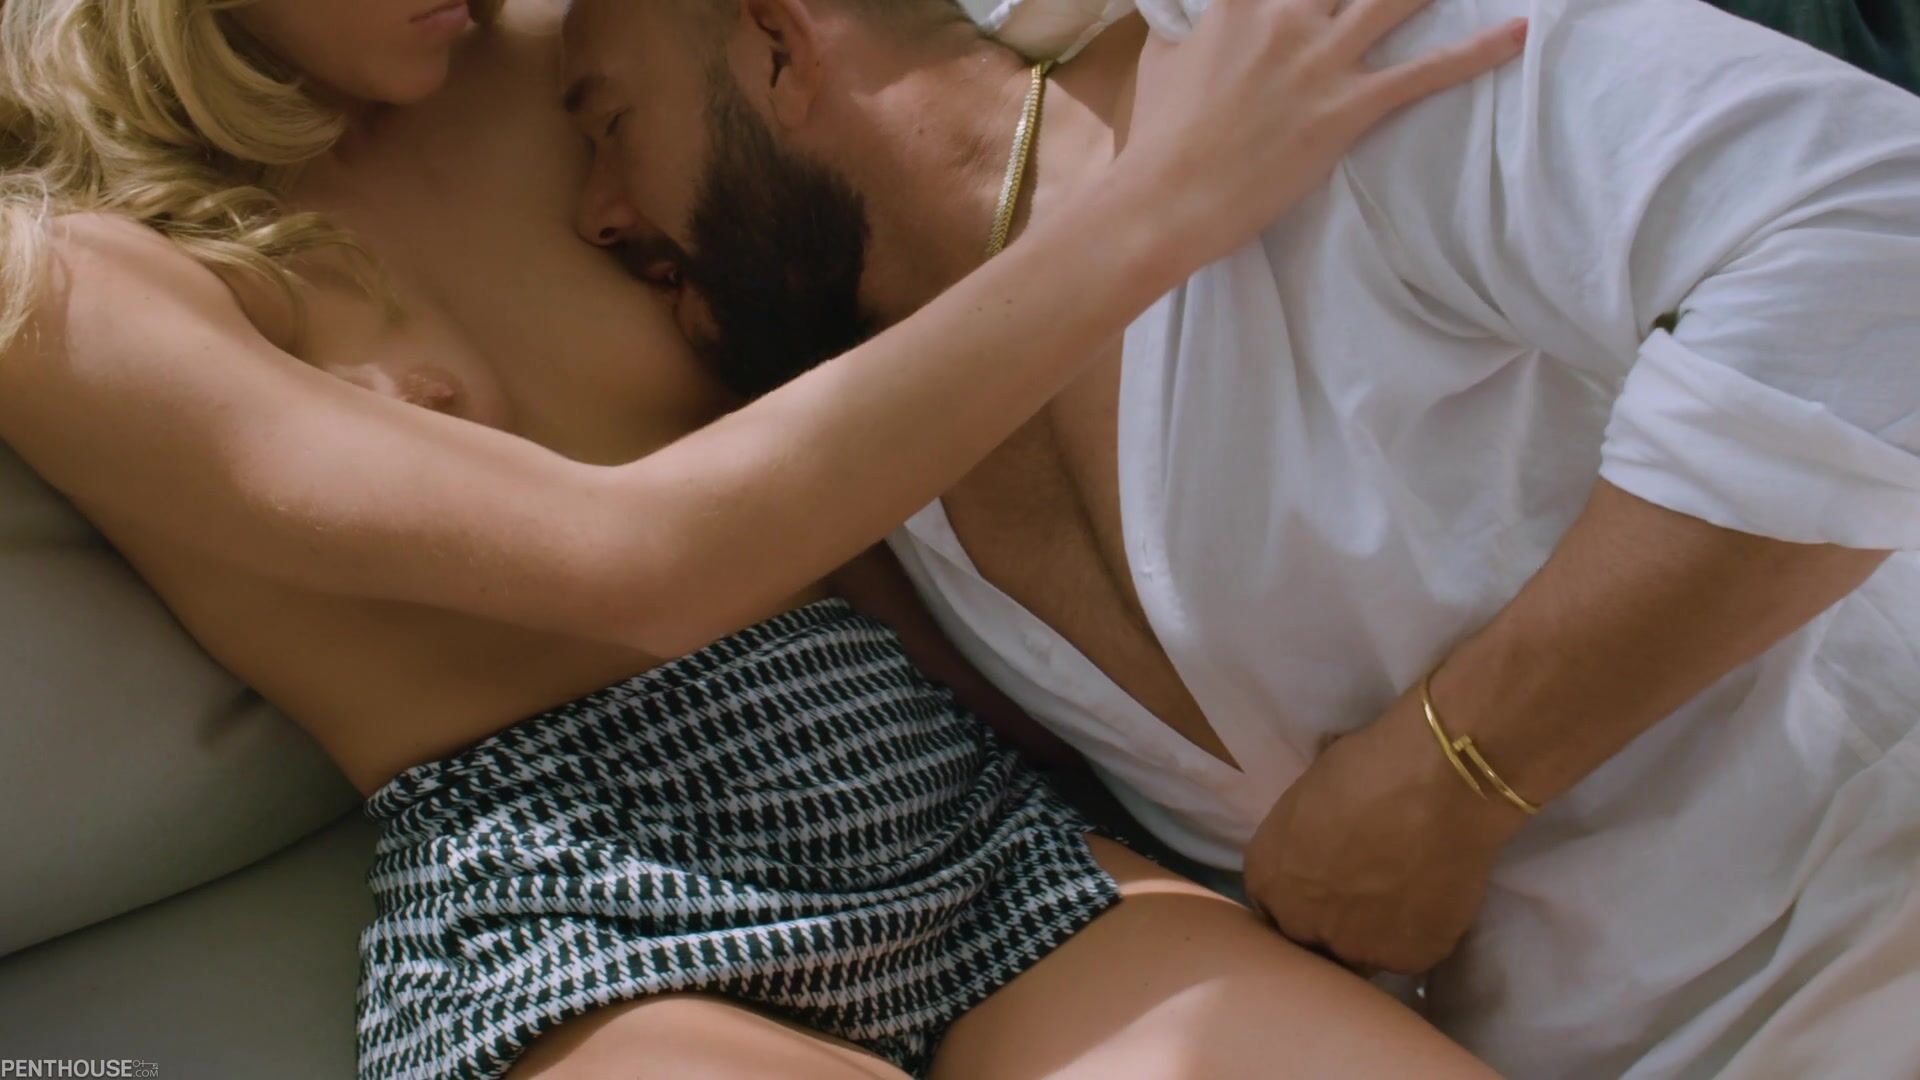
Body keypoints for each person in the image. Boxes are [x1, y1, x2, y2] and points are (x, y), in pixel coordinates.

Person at [0, 0, 1529, 1077]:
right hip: (576, 909)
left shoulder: (550, 58)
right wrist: (1169, 196)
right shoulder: (64, 282)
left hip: (941, 807)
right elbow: (635, 562)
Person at [562, 0, 1920, 1074]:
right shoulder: (869, 476)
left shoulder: (1310, 70)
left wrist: (1460, 771)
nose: (593, 214)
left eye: (610, 122)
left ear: (780, 40)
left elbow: (1875, 235)